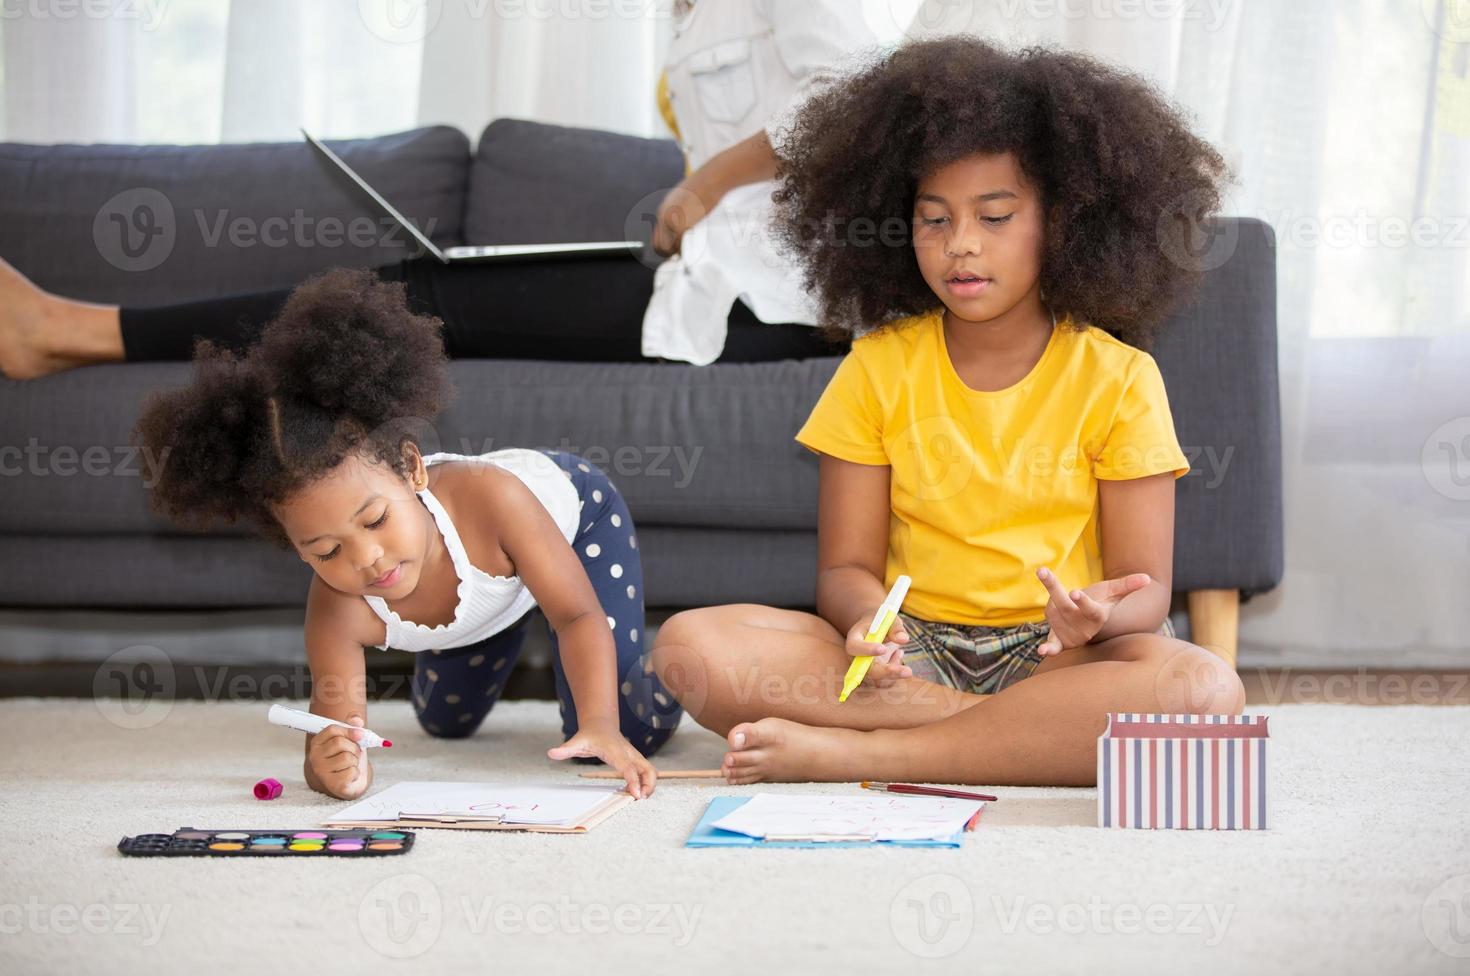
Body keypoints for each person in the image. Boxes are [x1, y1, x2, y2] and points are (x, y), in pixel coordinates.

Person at [648, 37, 1246, 787]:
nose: (960, 246)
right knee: (688, 647)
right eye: (935, 220)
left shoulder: (1121, 378)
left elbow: (1145, 589)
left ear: (1063, 223)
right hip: (910, 659)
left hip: (1062, 662)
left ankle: (870, 753)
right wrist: (869, 618)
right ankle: (1014, 743)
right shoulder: (876, 367)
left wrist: (1096, 615)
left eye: (994, 216)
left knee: (1205, 689)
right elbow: (845, 569)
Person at [0, 0, 877, 380]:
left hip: (777, 300)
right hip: (721, 278)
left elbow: (857, 92)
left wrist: (708, 184)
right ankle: (72, 331)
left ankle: (67, 332)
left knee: (414, 303)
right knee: (412, 299)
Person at [134, 267, 682, 801]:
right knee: (446, 723)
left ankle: (678, 664)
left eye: (375, 521)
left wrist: (601, 725)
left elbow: (576, 616)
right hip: (492, 576)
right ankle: (510, 609)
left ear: (411, 468)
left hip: (571, 519)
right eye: (326, 551)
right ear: (294, 548)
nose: (367, 558)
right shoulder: (337, 610)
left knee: (622, 729)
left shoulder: (497, 499)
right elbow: (332, 731)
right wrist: (332, 769)